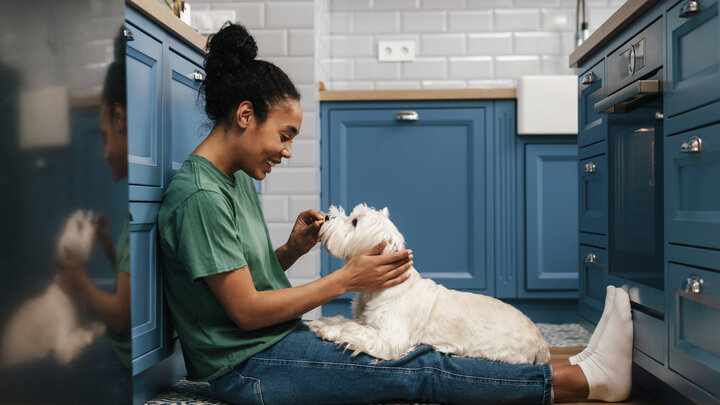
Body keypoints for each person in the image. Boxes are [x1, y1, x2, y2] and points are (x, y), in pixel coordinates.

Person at [157, 22, 634, 404]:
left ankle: (579, 363)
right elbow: (243, 311)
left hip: (270, 345)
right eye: (284, 135)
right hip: (249, 369)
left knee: (415, 349)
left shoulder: (236, 177)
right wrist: (346, 280)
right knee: (419, 370)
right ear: (245, 116)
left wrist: (289, 251)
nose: (286, 152)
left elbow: (234, 281)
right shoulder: (200, 196)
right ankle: (583, 383)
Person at [54, 59, 131, 369]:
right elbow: (134, 283)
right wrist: (109, 248)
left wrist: (77, 280)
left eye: (104, 138)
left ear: (119, 119)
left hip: (122, 361)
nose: (104, 153)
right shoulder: (143, 204)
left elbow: (121, 317)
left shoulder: (138, 216)